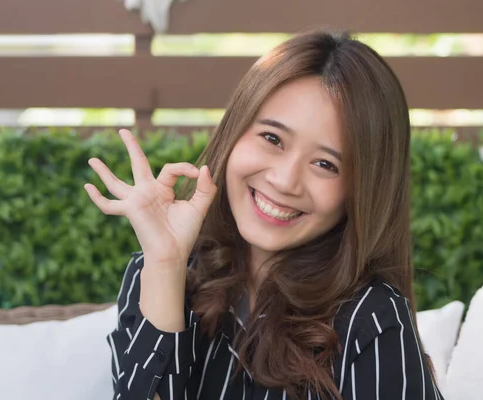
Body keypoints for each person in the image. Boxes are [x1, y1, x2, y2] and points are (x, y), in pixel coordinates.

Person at [84, 29, 444, 400]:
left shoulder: (371, 319)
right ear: (235, 132)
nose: (286, 181)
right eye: (272, 139)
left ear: (361, 191)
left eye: (325, 163)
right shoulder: (157, 275)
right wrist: (165, 265)